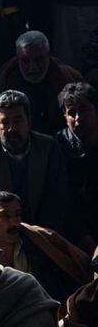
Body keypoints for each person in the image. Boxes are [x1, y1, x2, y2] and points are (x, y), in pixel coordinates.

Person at [0, 90, 71, 234]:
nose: (12, 129)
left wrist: (40, 236)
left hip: (44, 233)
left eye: (18, 121)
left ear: (29, 120)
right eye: (5, 122)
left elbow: (57, 199)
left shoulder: (48, 147)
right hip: (1, 233)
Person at [0, 191, 92, 304]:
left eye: (17, 214)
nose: (14, 222)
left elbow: (78, 262)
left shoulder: (37, 239)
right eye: (6, 216)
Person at [0, 31, 83, 135]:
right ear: (17, 59)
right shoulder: (3, 82)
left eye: (39, 60)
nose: (32, 67)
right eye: (25, 61)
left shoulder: (69, 79)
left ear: (48, 56)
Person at [55, 82, 98, 252]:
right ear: (65, 116)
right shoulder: (58, 147)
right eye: (71, 112)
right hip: (76, 233)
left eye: (85, 110)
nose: (78, 117)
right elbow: (62, 201)